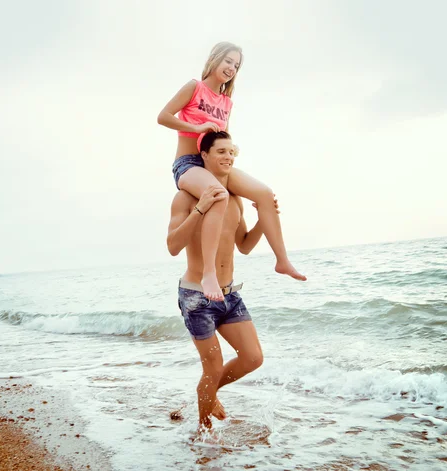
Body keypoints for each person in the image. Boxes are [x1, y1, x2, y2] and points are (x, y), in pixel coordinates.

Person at [158, 41, 306, 303]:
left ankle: (282, 261)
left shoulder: (226, 102)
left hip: (213, 162)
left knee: (264, 193)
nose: (231, 68)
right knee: (218, 194)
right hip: (188, 163)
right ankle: (209, 274)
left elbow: (221, 137)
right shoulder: (195, 87)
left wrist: (227, 151)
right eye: (228, 61)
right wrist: (198, 127)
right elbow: (163, 116)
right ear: (215, 59)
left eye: (236, 65)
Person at [167, 131, 268, 431]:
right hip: (197, 296)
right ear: (205, 156)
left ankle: (207, 392)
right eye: (221, 151)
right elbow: (173, 246)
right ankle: (203, 432)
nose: (228, 157)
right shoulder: (185, 197)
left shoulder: (235, 201)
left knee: (252, 358)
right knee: (211, 366)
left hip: (229, 294)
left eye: (232, 152)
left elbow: (245, 245)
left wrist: (264, 218)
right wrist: (200, 208)